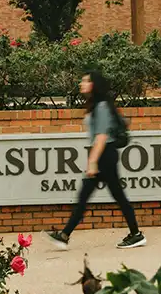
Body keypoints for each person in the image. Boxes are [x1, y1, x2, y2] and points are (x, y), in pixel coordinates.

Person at [45, 71, 146, 250]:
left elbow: (101, 137)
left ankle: (136, 234)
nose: (81, 84)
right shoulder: (97, 105)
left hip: (104, 155)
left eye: (85, 81)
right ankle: (64, 235)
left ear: (93, 85)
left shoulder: (101, 107)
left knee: (110, 197)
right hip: (103, 155)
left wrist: (92, 162)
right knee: (89, 197)